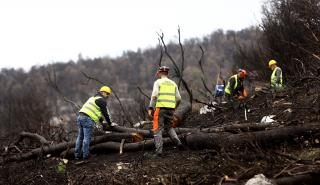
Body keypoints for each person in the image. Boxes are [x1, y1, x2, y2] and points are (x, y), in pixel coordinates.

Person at [148, 66, 184, 157]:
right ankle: (178, 143)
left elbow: (155, 95)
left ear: (159, 73)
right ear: (167, 73)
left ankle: (159, 151)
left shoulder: (158, 82)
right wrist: (174, 107)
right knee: (169, 128)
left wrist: (150, 108)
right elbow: (179, 98)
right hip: (171, 109)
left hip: (160, 109)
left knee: (157, 129)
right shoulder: (173, 83)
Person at [75, 86, 113, 160]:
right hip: (87, 119)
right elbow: (105, 113)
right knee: (87, 138)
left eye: (109, 94)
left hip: (80, 117)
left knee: (80, 137)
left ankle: (77, 155)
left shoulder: (92, 98)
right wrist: (110, 123)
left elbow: (96, 112)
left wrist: (102, 121)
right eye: (107, 93)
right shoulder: (101, 100)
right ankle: (86, 156)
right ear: (102, 92)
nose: (108, 95)